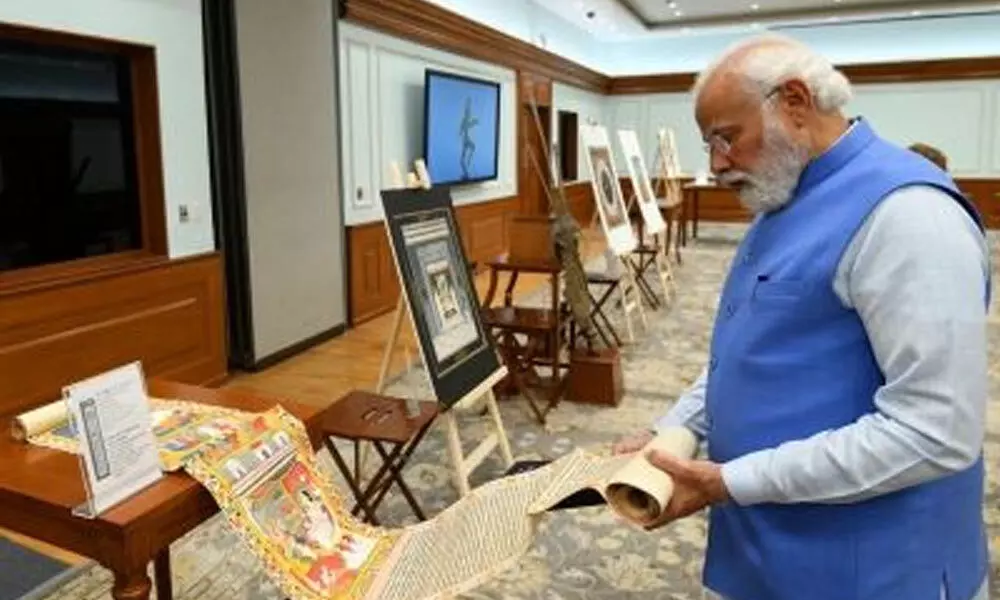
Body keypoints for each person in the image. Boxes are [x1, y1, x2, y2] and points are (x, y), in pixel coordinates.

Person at [613, 33, 992, 600]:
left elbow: (934, 430)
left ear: (793, 102)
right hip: (772, 547)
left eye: (726, 137)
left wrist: (730, 481)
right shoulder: (783, 196)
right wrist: (674, 433)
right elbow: (751, 351)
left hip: (875, 569)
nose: (716, 164)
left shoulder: (910, 215)